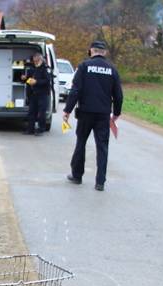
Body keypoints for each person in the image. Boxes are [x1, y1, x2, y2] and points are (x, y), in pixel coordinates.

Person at [63, 40, 123, 191]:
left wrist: (67, 110)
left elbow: (75, 90)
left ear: (91, 51)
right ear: (105, 53)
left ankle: (77, 176)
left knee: (81, 143)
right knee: (102, 147)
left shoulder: (84, 66)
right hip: (103, 114)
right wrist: (116, 113)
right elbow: (118, 95)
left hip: (85, 112)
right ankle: (100, 182)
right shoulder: (112, 69)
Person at [24, 52, 51, 136]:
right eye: (34, 61)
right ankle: (30, 129)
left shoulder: (45, 69)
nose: (35, 62)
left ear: (40, 60)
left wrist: (37, 82)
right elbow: (28, 78)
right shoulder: (32, 68)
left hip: (42, 94)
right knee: (31, 112)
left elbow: (47, 81)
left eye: (36, 61)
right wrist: (24, 78)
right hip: (33, 94)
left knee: (41, 113)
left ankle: (41, 129)